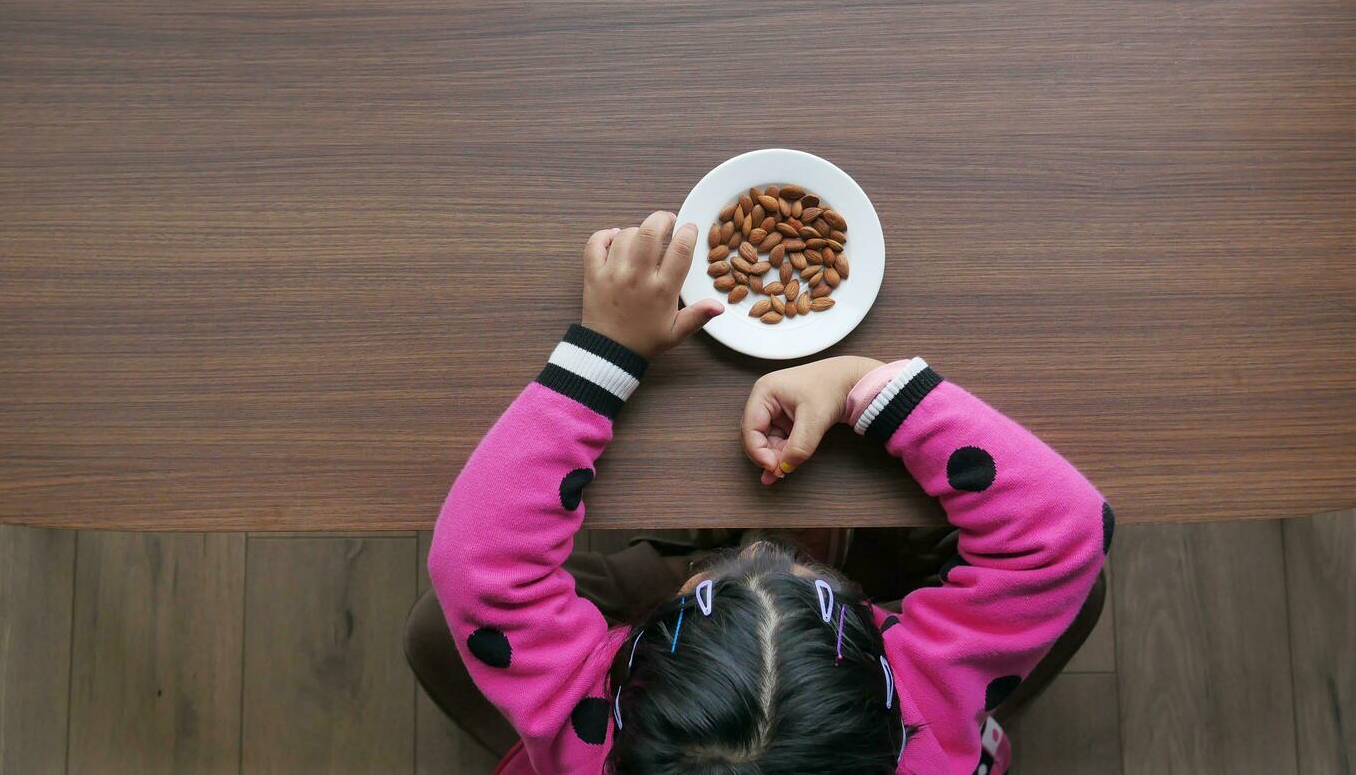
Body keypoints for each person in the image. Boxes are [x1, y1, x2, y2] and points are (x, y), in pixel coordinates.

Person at [406, 211, 1111, 774]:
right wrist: (863, 385)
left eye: (711, 590)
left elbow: (476, 566)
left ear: (622, 690)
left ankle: (684, 561)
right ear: (886, 702)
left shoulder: (597, 736)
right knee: (1085, 600)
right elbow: (1063, 534)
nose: (764, 546)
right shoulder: (924, 711)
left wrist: (602, 355)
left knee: (434, 636)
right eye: (816, 587)